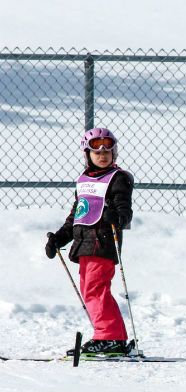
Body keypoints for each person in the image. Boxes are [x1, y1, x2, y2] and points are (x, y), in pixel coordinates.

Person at [45, 127, 135, 356]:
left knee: (96, 289)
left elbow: (125, 210)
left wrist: (117, 217)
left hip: (103, 241)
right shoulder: (84, 181)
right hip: (84, 244)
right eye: (97, 151)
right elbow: (78, 214)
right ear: (87, 154)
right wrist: (59, 238)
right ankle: (112, 336)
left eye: (108, 150)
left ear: (114, 153)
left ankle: (109, 336)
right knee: (91, 290)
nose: (103, 155)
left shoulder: (118, 179)